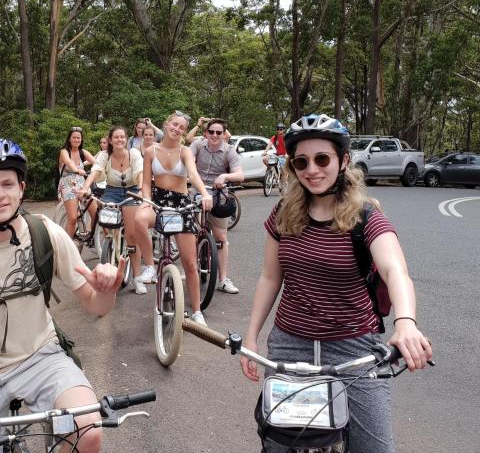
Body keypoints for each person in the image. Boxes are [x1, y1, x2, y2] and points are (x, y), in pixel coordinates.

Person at [239, 114, 433, 453]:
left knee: (376, 448)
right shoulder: (284, 213)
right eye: (302, 161)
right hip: (290, 344)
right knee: (278, 445)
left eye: (322, 159)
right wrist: (252, 337)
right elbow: (270, 277)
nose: (312, 169)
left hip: (355, 349)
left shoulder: (366, 217)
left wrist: (405, 324)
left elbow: (395, 271)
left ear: (343, 161)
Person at [0, 138, 124, 453]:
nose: (0, 194)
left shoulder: (46, 233)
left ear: (22, 188)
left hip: (41, 358)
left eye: (7, 184)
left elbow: (96, 306)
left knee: (89, 430)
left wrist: (106, 292)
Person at [134, 111, 213, 325]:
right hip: (158, 201)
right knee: (139, 219)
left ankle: (196, 311)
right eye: (174, 124)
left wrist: (204, 194)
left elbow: (193, 175)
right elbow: (147, 182)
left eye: (181, 128)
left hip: (181, 202)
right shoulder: (150, 151)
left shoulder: (185, 151)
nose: (177, 129)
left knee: (189, 262)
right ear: (167, 124)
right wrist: (146, 199)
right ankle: (150, 265)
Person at [79, 126, 146, 293]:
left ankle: (137, 278)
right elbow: (95, 172)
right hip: (111, 192)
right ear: (110, 140)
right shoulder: (104, 155)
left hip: (132, 192)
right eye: (116, 137)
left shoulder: (134, 154)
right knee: (107, 224)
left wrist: (142, 191)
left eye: (122, 137)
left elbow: (140, 173)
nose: (119, 140)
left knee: (131, 236)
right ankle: (109, 248)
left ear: (126, 138)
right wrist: (85, 188)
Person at [189, 118, 245, 294]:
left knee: (221, 237)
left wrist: (225, 177)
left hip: (218, 195)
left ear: (224, 134)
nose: (214, 135)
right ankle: (191, 271)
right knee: (192, 233)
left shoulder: (229, 151)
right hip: (197, 193)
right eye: (211, 132)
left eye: (218, 132)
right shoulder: (197, 145)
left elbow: (240, 175)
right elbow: (187, 162)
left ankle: (223, 279)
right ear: (206, 133)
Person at [57, 127, 96, 238]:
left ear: (81, 139)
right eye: (74, 137)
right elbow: (69, 162)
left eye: (78, 138)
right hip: (68, 185)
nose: (76, 140)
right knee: (73, 218)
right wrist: (77, 170)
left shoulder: (82, 152)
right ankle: (66, 243)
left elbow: (97, 162)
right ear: (69, 139)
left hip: (83, 185)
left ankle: (91, 237)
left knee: (96, 214)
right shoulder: (64, 152)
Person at [262, 122, 288, 188]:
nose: (279, 130)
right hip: (277, 155)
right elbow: (269, 144)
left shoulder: (286, 137)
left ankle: (283, 185)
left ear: (283, 130)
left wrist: (287, 153)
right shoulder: (274, 137)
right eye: (278, 129)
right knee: (265, 159)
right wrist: (265, 152)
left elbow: (289, 146)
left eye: (281, 129)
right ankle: (271, 172)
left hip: (284, 156)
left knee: (283, 171)